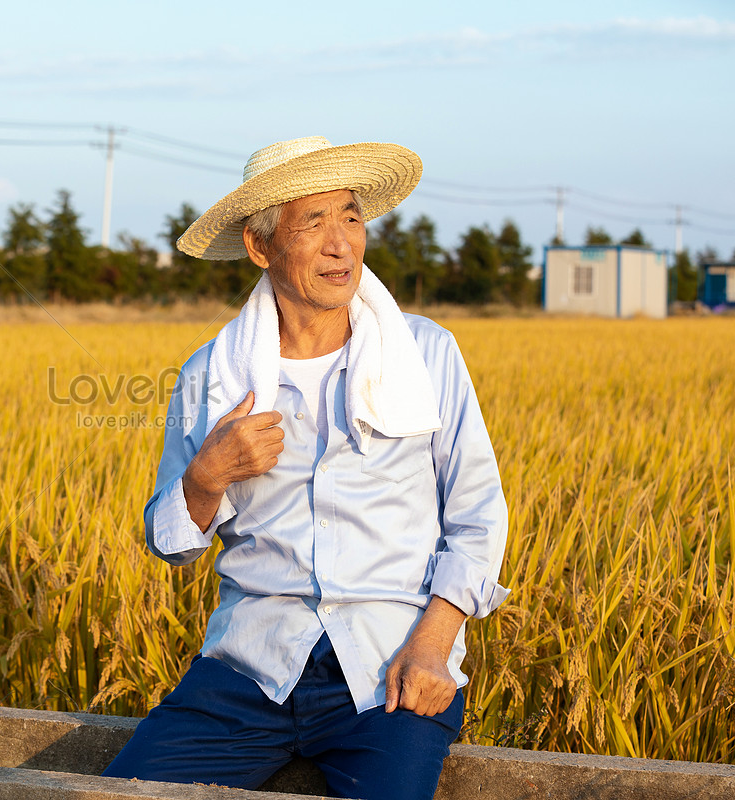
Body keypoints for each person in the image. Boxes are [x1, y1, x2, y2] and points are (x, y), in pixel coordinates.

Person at [101, 137, 510, 800]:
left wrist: (434, 647)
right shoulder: (214, 374)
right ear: (261, 247)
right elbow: (169, 543)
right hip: (249, 671)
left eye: (350, 218)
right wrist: (207, 476)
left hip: (389, 669)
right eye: (313, 223)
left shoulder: (426, 354)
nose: (340, 244)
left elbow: (478, 516)